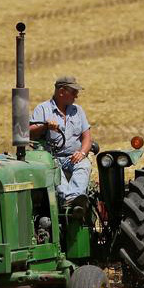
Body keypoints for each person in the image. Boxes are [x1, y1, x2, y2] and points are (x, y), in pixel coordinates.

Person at [29, 75, 92, 204]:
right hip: (51, 158)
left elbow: (87, 138)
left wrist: (82, 153)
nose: (76, 96)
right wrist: (45, 126)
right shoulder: (42, 109)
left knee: (84, 164)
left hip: (73, 157)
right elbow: (29, 133)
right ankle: (69, 200)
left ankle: (76, 200)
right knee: (55, 169)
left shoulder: (78, 111)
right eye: (74, 92)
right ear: (62, 91)